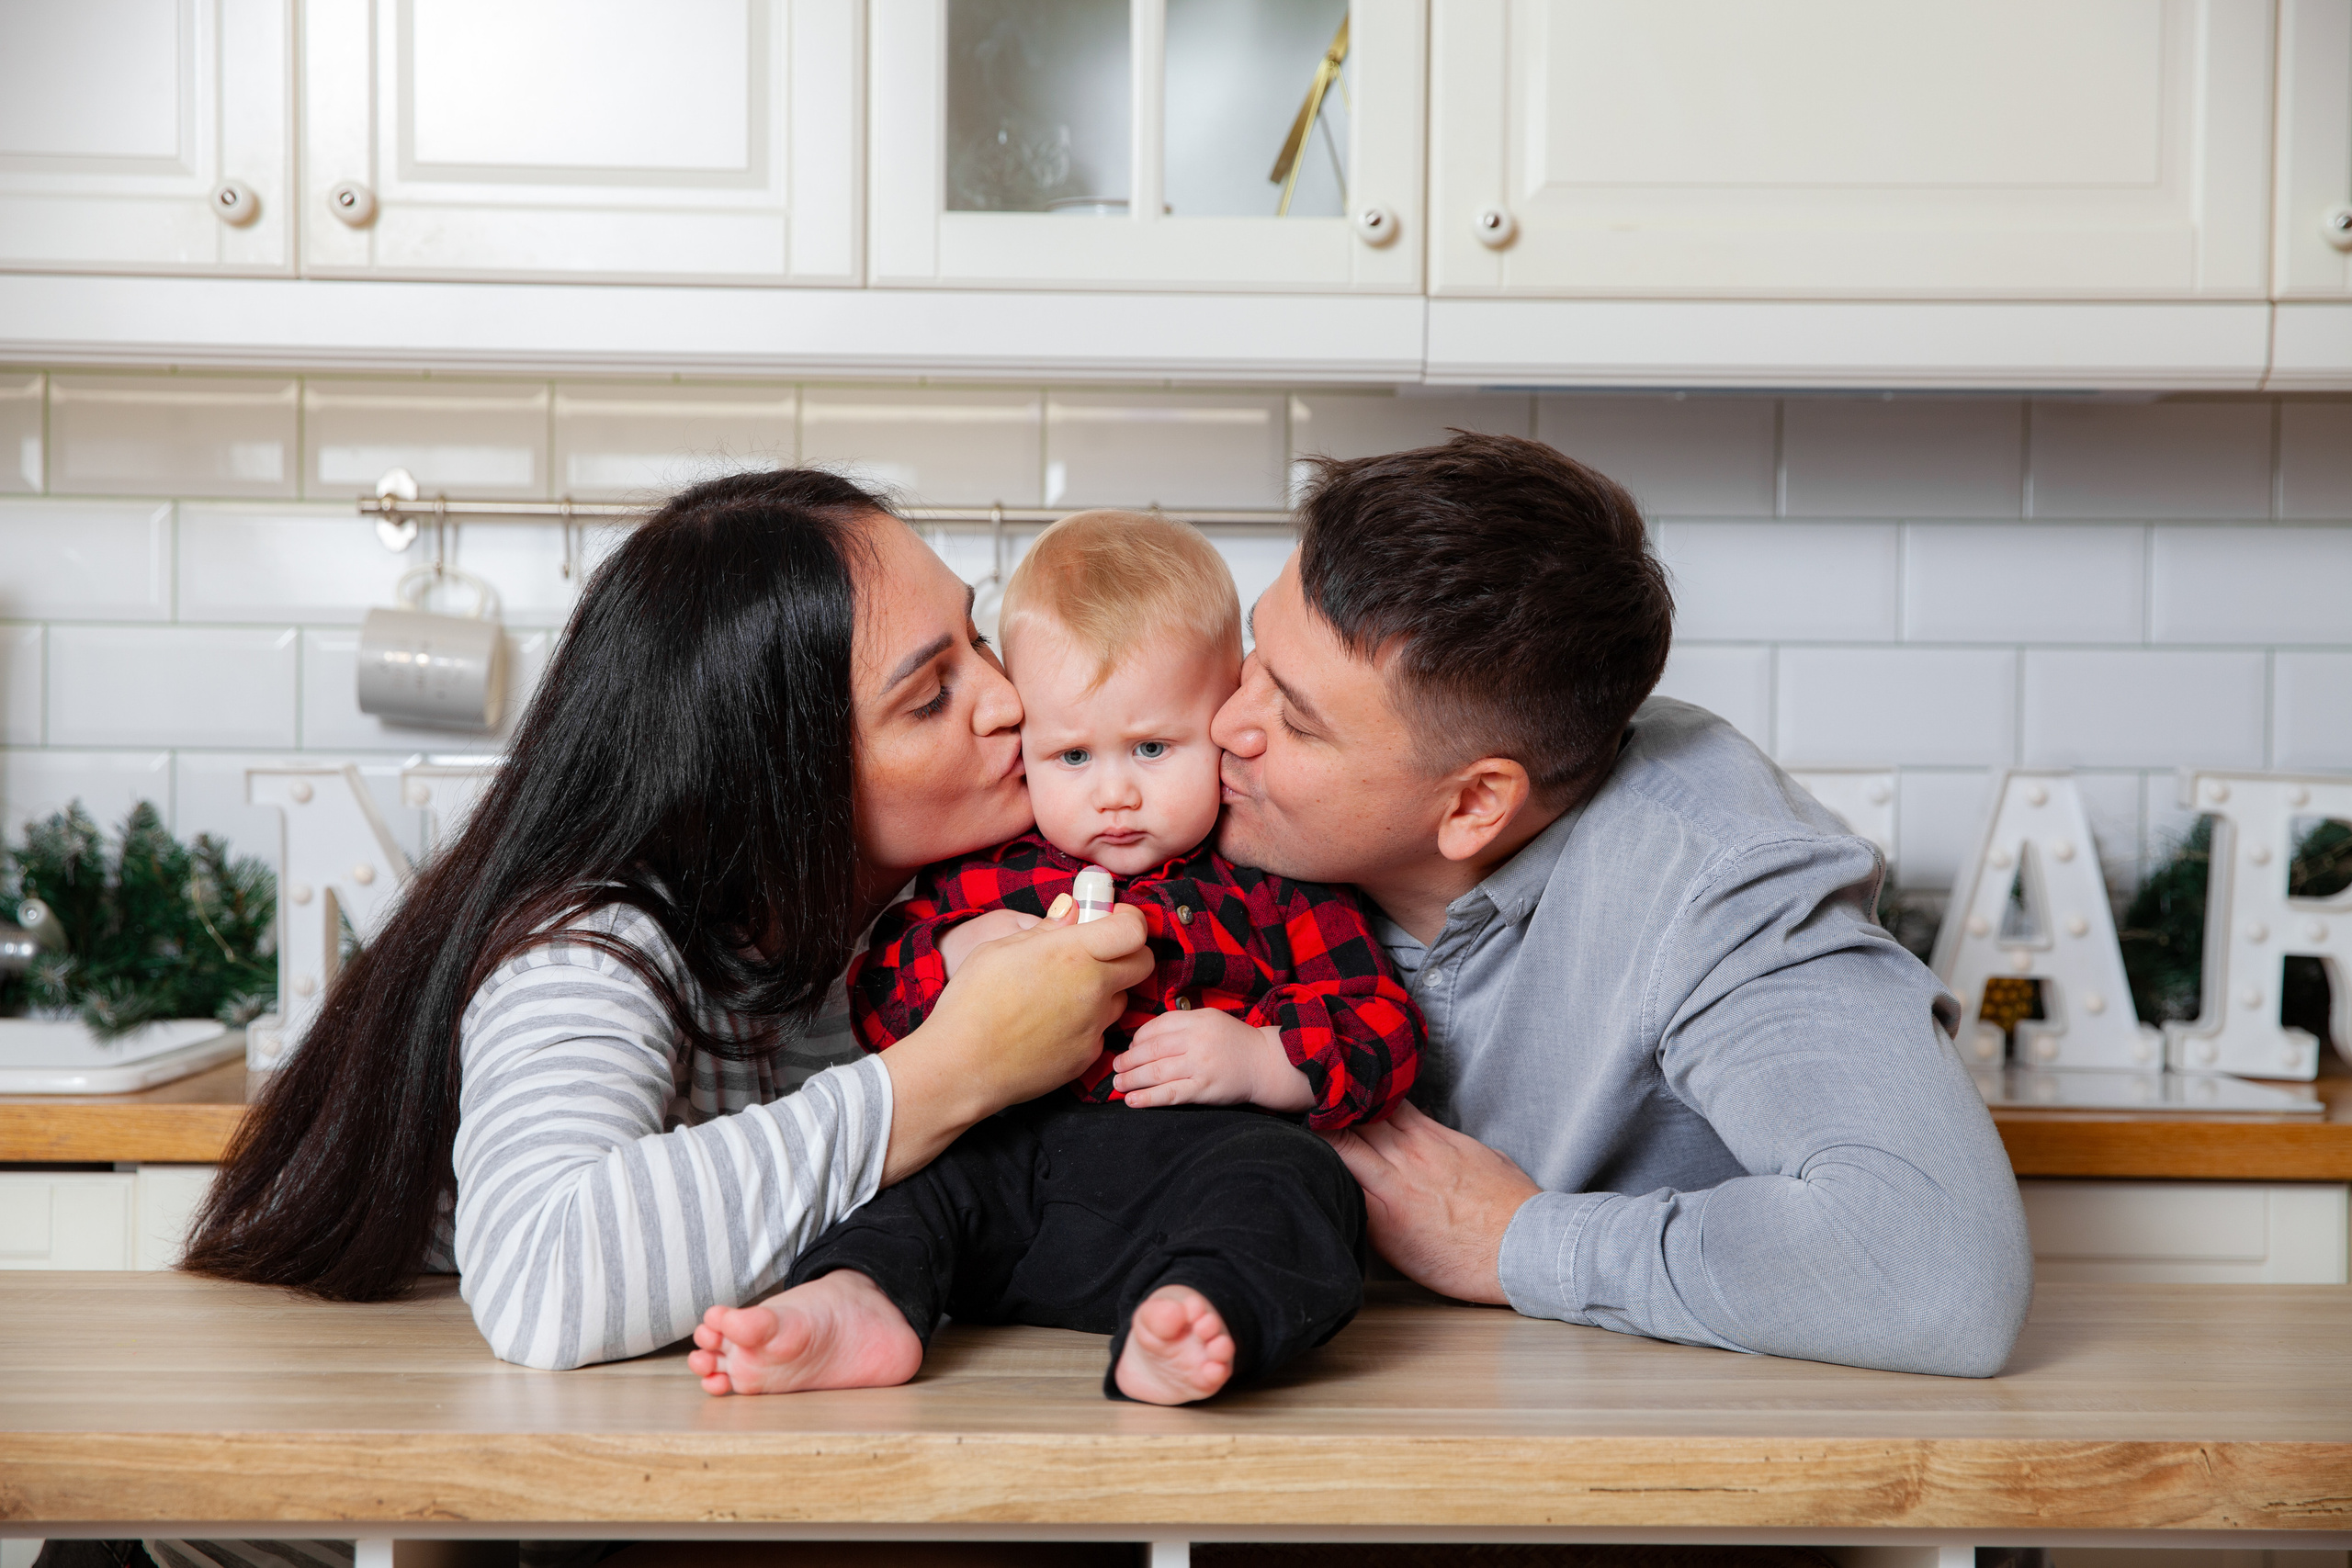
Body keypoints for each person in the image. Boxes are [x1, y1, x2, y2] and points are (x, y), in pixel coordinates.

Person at [181, 468, 1153, 1377]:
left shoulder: (905, 916)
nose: (1006, 702)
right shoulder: (592, 943)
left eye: (977, 642)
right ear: (776, 775)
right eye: (930, 696)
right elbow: (541, 1276)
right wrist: (959, 1067)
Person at [1210, 431, 2036, 1378]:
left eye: (1294, 719)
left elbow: (1934, 1276)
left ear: (1475, 803)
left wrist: (1518, 1241)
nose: (1227, 724)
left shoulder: (1717, 873)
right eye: (1254, 656)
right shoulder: (1196, 792)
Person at [687, 510, 1420, 1404]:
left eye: (1153, 749)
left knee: (1299, 1185)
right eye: (1071, 755)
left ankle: (1191, 1316)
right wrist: (953, 960)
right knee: (908, 1184)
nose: (1114, 793)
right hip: (1005, 1171)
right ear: (1027, 740)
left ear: (1221, 722)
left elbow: (1382, 1022)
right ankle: (858, 1306)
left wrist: (1263, 1060)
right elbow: (876, 1003)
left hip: (1187, 1174)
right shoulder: (981, 877)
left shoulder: (1271, 881)